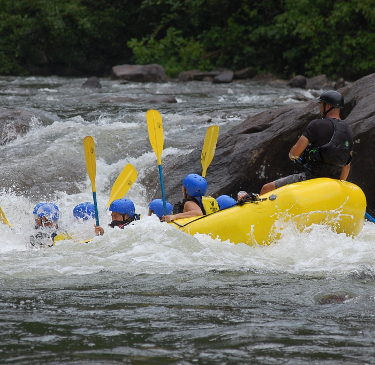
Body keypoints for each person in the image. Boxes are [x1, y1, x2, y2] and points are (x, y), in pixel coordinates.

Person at [260, 90, 353, 195]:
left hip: (312, 178)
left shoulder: (316, 125)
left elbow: (295, 152)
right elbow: (347, 165)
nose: (320, 109)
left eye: (321, 105)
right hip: (333, 182)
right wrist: (338, 185)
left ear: (328, 107)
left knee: (267, 188)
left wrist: (292, 155)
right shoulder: (348, 130)